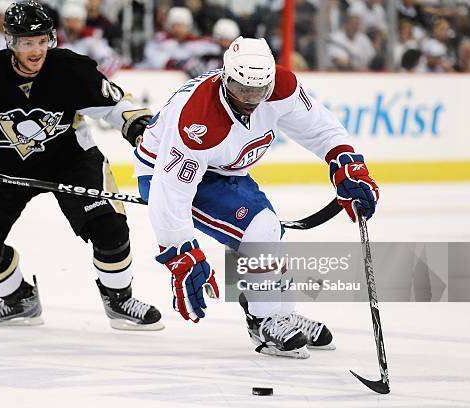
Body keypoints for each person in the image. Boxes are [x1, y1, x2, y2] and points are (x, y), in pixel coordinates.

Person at [133, 37, 379, 358]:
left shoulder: (282, 87)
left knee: (268, 233)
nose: (250, 99)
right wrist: (181, 252)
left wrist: (345, 162)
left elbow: (320, 129)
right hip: (161, 170)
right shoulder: (198, 118)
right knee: (259, 230)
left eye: (258, 90)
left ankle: (280, 313)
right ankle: (264, 322)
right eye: (240, 88)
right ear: (224, 77)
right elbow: (171, 193)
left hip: (223, 169)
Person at [0, 1, 163, 331]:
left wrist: (137, 125)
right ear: (10, 41)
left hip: (72, 161)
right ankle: (19, 301)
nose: (37, 50)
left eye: (43, 40)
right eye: (28, 42)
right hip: (5, 169)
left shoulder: (71, 69)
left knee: (110, 228)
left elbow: (116, 105)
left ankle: (119, 299)